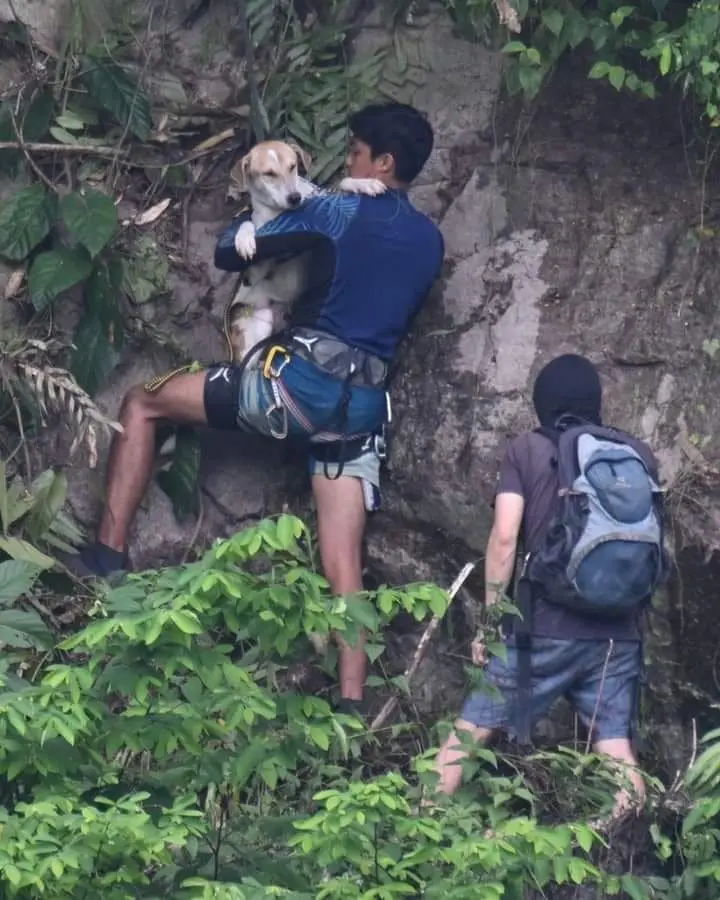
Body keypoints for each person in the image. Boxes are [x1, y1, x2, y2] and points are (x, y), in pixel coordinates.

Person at [64, 102, 445, 714]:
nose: (345, 160)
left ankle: (105, 560)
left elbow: (228, 252)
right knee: (343, 559)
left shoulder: (338, 210)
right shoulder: (431, 240)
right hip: (359, 414)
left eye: (353, 151)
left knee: (142, 403)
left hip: (292, 389)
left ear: (384, 160)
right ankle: (352, 710)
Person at [433, 354, 663, 819]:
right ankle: (623, 857)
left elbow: (503, 539)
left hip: (543, 628)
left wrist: (492, 621)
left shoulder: (528, 450)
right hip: (617, 634)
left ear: (542, 404)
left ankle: (414, 839)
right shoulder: (638, 455)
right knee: (615, 746)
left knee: (469, 732)